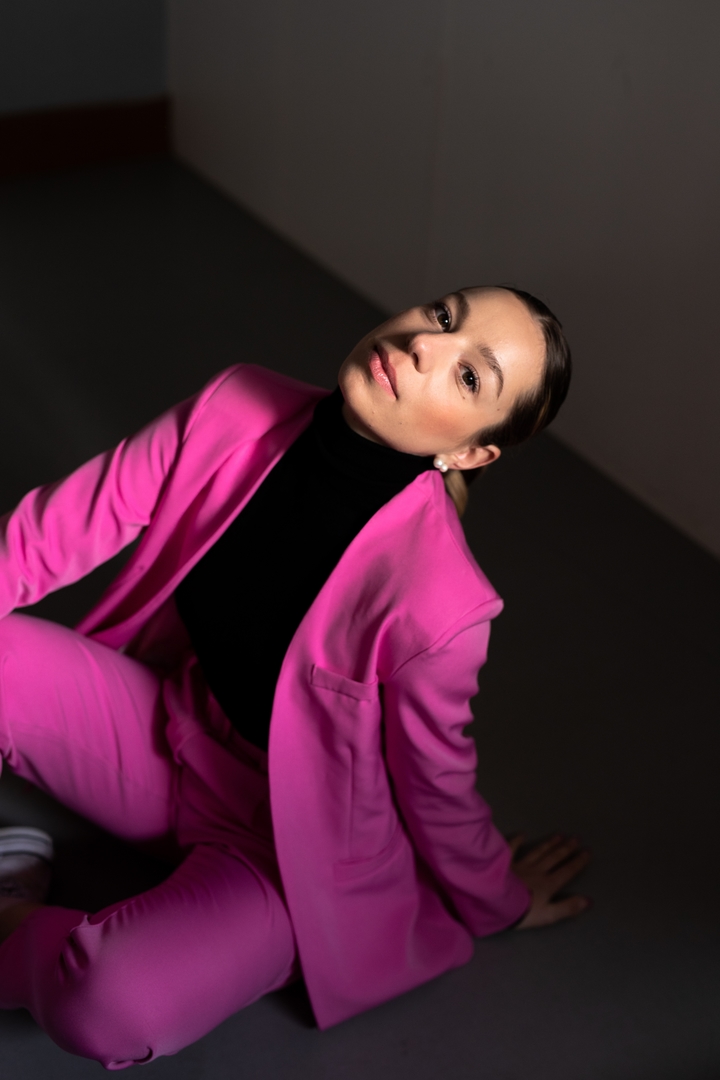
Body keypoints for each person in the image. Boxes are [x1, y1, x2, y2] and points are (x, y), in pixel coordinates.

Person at [0, 285, 588, 1069]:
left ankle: (11, 917)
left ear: (473, 452)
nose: (425, 344)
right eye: (444, 316)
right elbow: (40, 540)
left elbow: (434, 781)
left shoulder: (443, 603)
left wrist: (498, 901)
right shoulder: (235, 405)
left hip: (283, 849)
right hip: (165, 734)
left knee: (112, 1004)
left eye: (471, 375)